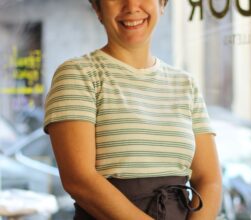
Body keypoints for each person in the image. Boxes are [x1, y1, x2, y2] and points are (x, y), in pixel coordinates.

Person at [43, 0, 222, 219]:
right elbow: (79, 180)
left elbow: (209, 180)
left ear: (162, 4)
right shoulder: (77, 74)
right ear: (98, 9)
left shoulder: (185, 84)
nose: (131, 6)